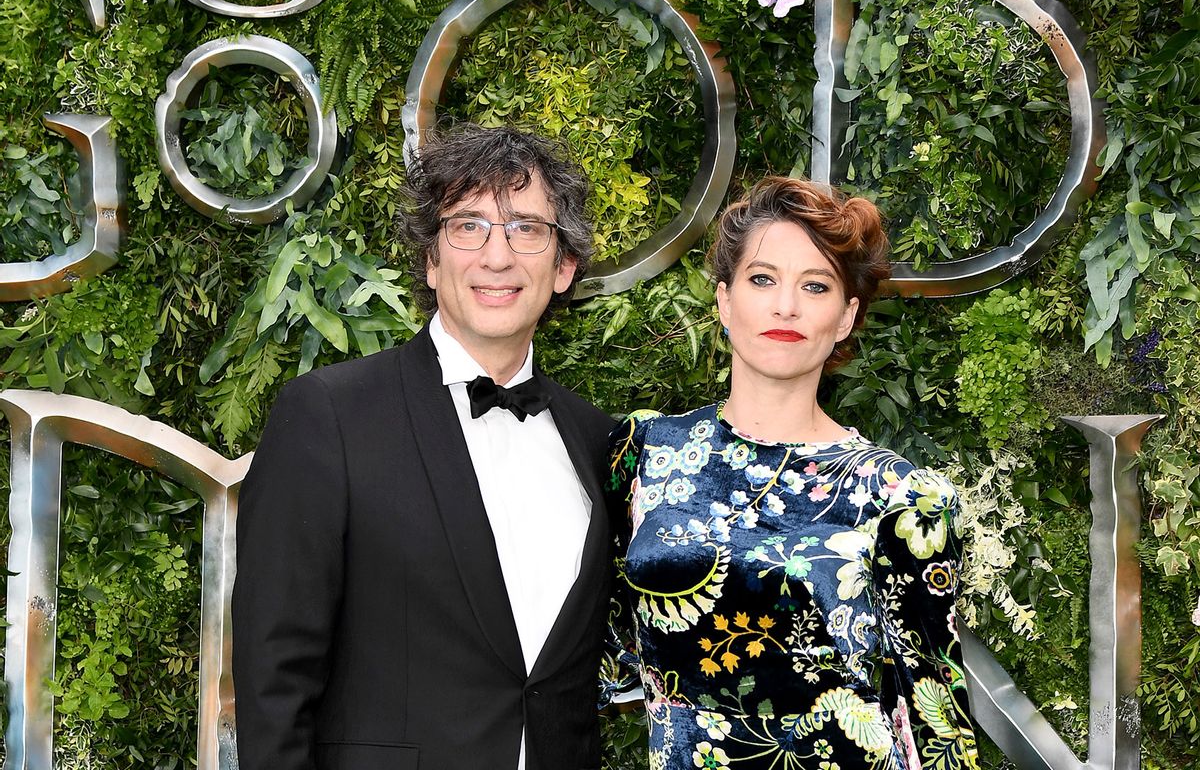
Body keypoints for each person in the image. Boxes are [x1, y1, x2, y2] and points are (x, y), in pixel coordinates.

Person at [232, 124, 616, 770]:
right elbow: (274, 681)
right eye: (468, 226)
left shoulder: (594, 439)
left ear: (564, 266)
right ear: (432, 260)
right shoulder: (330, 416)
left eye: (526, 229)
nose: (498, 257)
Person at [606, 176, 979, 769]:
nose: (786, 305)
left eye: (815, 285)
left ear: (846, 317)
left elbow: (933, 719)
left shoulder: (904, 497)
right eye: (763, 279)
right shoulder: (644, 450)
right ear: (725, 301)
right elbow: (588, 645)